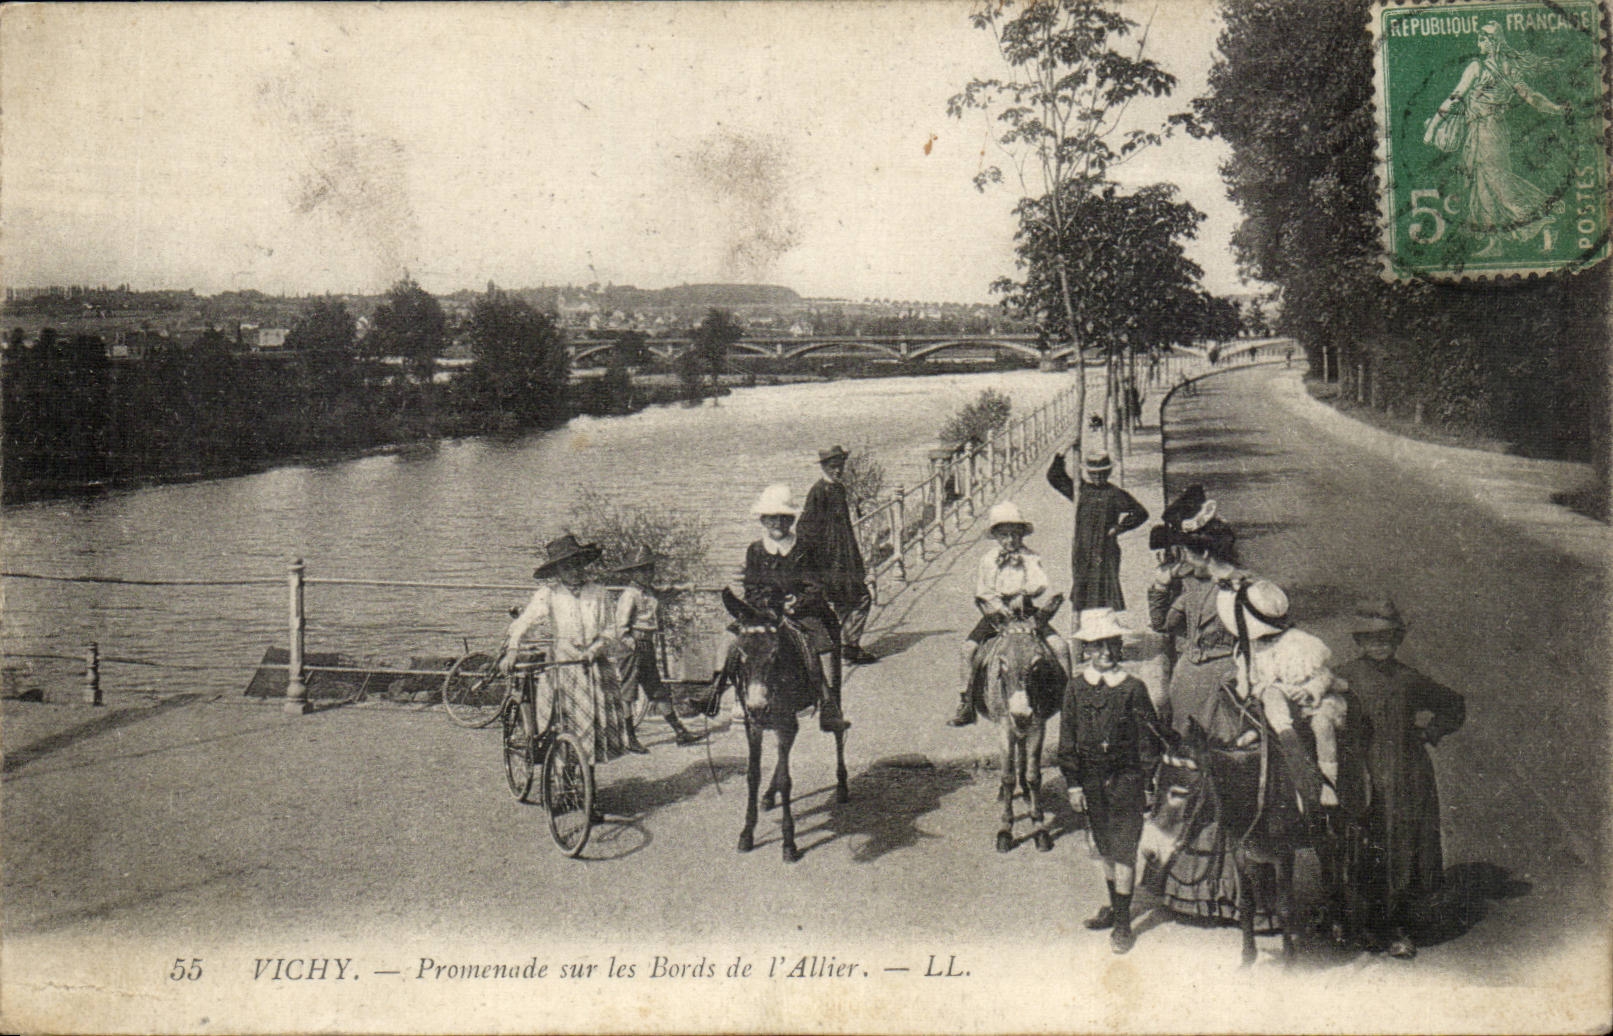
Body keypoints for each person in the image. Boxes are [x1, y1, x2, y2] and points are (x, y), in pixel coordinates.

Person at [1336, 596, 1465, 960]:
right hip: (1362, 775)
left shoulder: (1409, 679)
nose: (1379, 645)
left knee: (1405, 849)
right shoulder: (1343, 677)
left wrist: (1430, 732)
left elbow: (1453, 704)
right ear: (1359, 642)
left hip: (1408, 776)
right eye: (1371, 638)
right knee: (1361, 846)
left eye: (1387, 638)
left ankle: (1398, 925)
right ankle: (1356, 920)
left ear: (1397, 641)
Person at [1058, 607, 1163, 954]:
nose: (1104, 653)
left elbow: (1148, 742)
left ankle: (1122, 925)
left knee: (1124, 851)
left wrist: (1146, 783)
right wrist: (1073, 783)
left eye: (1111, 646)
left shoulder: (1133, 689)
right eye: (1096, 646)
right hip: (1090, 781)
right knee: (1103, 847)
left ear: (1118, 648)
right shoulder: (1075, 688)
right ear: (1086, 650)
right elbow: (1067, 738)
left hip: (1126, 779)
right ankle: (1115, 907)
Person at [1422, 21, 1569, 257]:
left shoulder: (1476, 67)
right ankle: (1496, 244)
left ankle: (1543, 218)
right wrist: (1557, 109)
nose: (1478, 43)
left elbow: (1454, 98)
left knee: (1497, 185)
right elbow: (1534, 98)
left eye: (1482, 39)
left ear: (1493, 43)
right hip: (1492, 131)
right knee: (1483, 187)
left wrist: (1433, 128)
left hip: (1485, 133)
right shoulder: (1510, 69)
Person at [500, 533, 626, 768]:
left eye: (578, 565)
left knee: (593, 727)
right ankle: (560, 776)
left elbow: (611, 628)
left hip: (594, 666)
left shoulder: (599, 592)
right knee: (562, 724)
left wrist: (596, 648)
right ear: (558, 571)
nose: (574, 572)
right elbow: (525, 621)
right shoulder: (549, 594)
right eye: (567, 567)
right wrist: (513, 648)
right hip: (563, 666)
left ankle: (586, 781)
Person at [736, 483, 850, 733]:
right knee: (732, 639)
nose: (776, 523)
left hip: (802, 611)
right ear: (763, 520)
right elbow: (752, 587)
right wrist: (765, 604)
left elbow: (816, 585)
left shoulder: (804, 548)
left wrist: (796, 603)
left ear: (790, 519)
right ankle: (721, 694)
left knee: (823, 645)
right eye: (771, 518)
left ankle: (829, 703)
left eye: (782, 518)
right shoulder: (755, 550)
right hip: (765, 612)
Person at [950, 501, 1069, 727]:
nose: (1010, 540)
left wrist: (1024, 594)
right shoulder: (988, 560)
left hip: (1027, 612)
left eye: (1015, 534)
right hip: (996, 613)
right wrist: (998, 607)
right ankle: (966, 702)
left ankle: (1068, 703)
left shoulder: (1031, 557)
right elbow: (983, 591)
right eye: (1004, 535)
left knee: (1061, 647)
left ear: (1022, 535)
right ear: (996, 536)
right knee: (969, 649)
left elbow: (1040, 583)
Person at [1146, 525, 1240, 732]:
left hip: (1226, 672)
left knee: (1223, 735)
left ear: (1206, 554)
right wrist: (1160, 587)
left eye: (1187, 553)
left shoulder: (1243, 585)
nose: (1185, 560)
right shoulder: (1195, 585)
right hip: (1190, 672)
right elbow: (1162, 623)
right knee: (1182, 732)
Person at [610, 546, 702, 748]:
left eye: (650, 569)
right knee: (629, 691)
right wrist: (629, 642)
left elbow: (667, 592)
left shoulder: (650, 592)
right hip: (632, 645)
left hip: (646, 645)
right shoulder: (629, 595)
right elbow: (620, 625)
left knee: (656, 688)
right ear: (633, 573)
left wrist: (686, 587)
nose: (647, 574)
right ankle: (630, 738)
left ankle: (680, 732)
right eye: (642, 570)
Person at [796, 445, 878, 665]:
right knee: (859, 599)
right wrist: (814, 564)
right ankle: (847, 647)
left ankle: (845, 646)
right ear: (824, 467)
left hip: (844, 559)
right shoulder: (818, 492)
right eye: (833, 467)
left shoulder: (839, 489)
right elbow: (804, 528)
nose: (838, 470)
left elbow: (846, 530)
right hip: (829, 562)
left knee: (854, 600)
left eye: (840, 466)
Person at [1046, 449, 1149, 615]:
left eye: (1102, 474)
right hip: (1083, 550)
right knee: (1083, 590)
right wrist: (1060, 454)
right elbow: (1054, 477)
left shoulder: (1114, 494)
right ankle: (1087, 634)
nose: (1098, 478)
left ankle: (1110, 635)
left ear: (1108, 472)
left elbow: (1141, 513)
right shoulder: (1081, 491)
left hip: (1105, 550)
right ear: (1087, 473)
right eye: (1094, 474)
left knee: (1106, 592)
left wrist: (1119, 528)